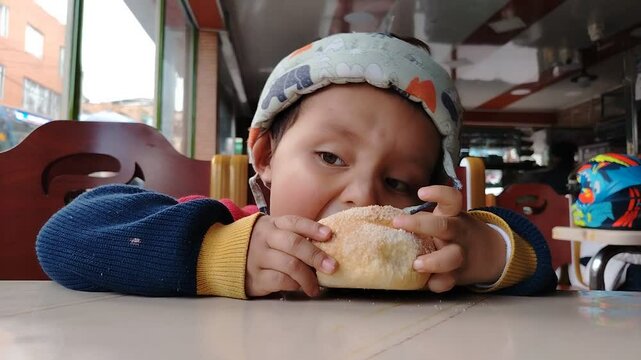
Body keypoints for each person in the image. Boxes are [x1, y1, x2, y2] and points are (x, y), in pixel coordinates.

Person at [36, 33, 556, 298]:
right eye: (330, 157)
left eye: (399, 181)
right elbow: (65, 239)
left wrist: (483, 250)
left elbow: (539, 265)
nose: (363, 196)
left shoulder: (430, 262)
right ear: (264, 156)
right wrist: (214, 254)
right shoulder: (223, 226)